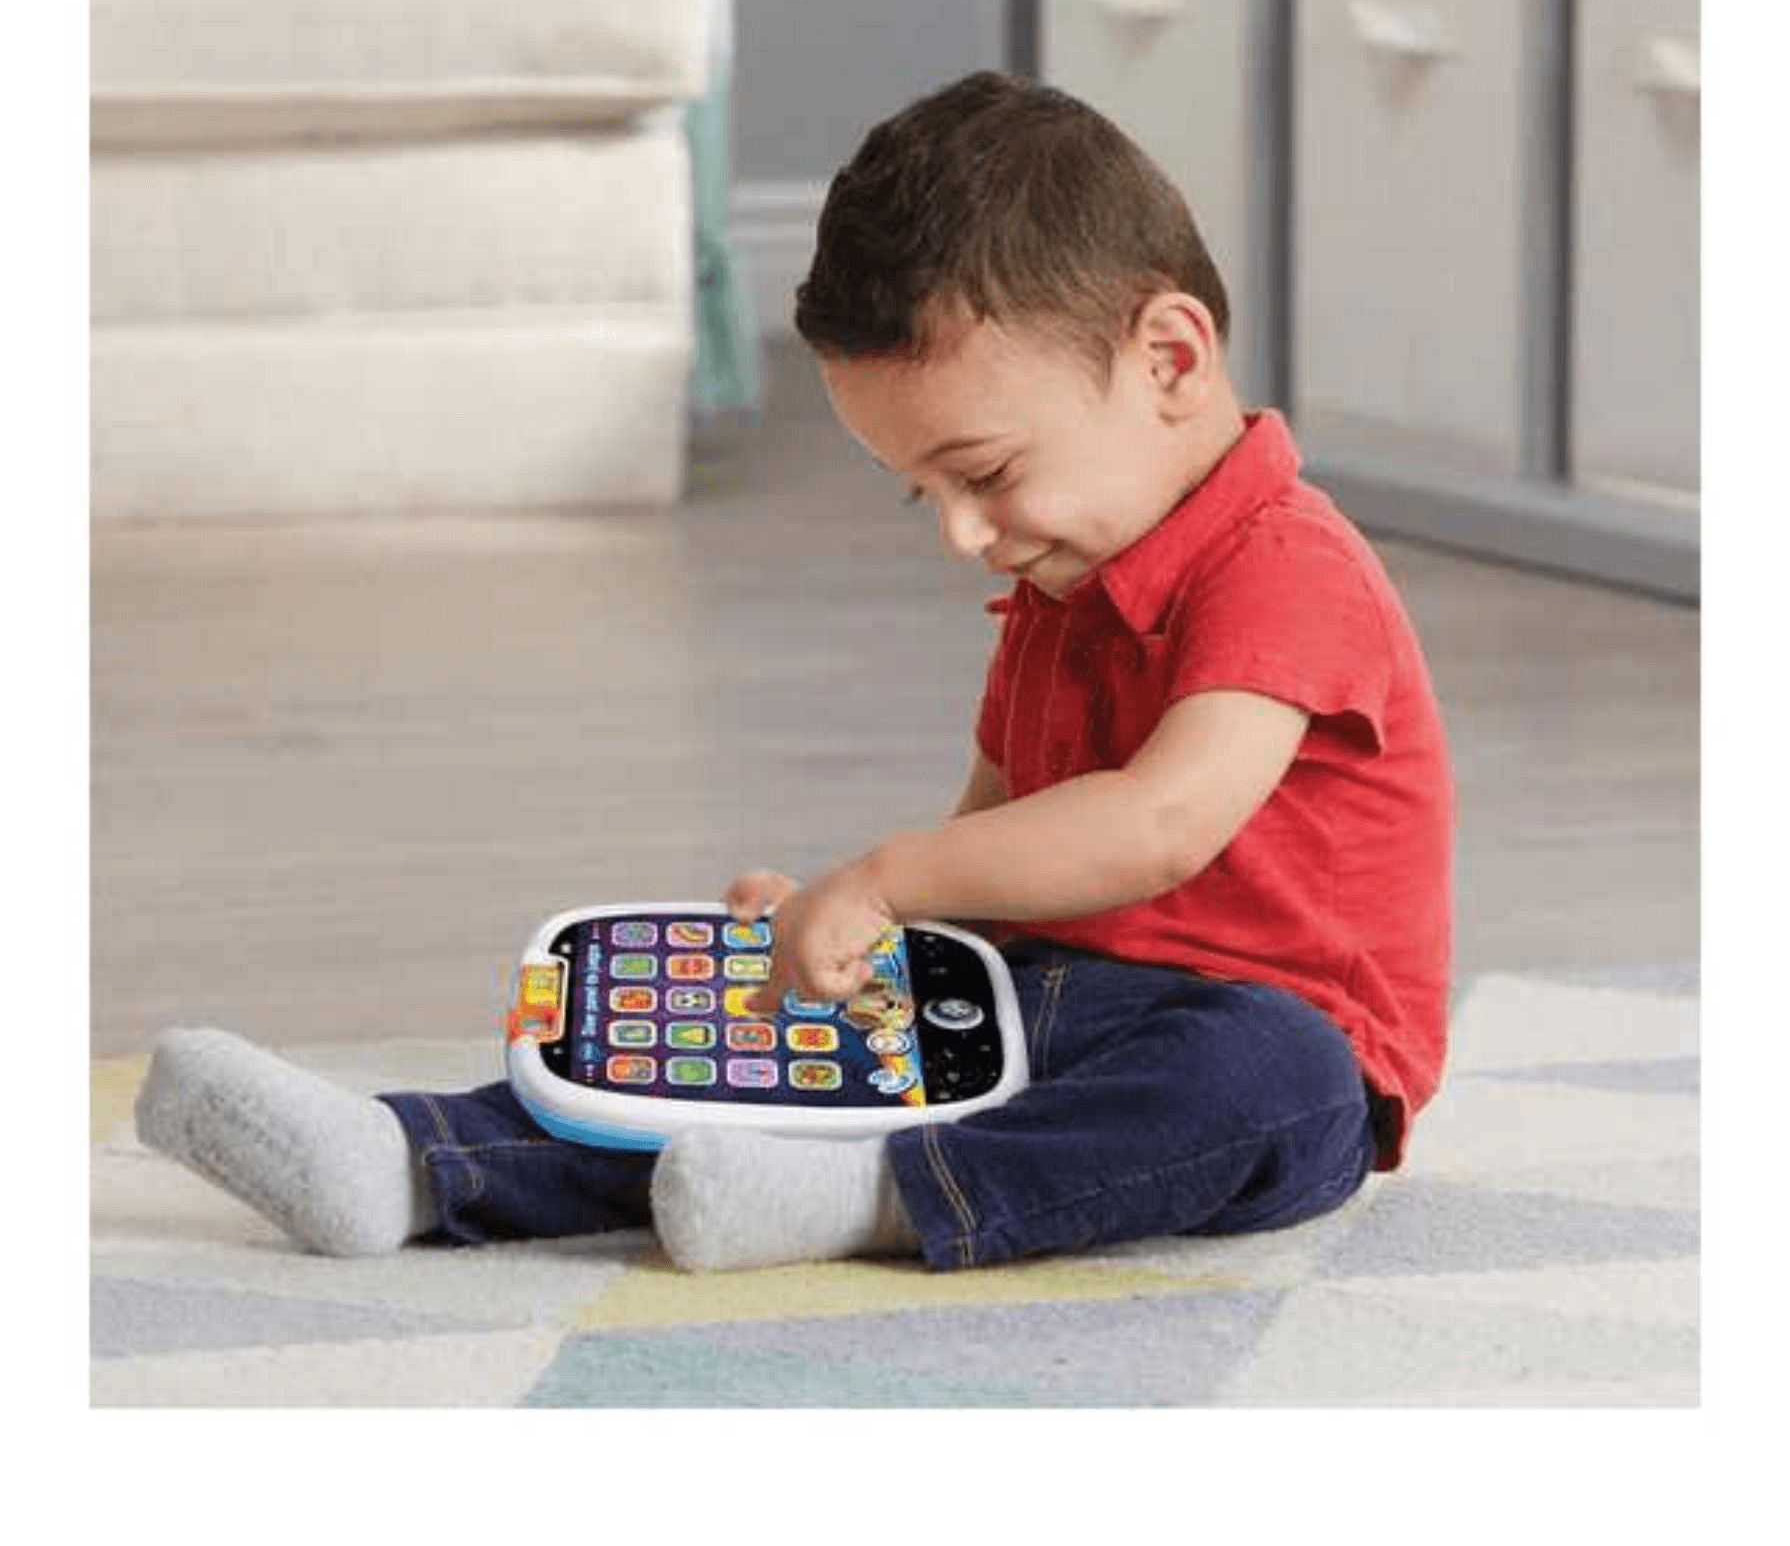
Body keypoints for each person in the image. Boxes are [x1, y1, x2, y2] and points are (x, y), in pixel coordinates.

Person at [135, 71, 1454, 1274]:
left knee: (1264, 1075)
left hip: (1272, 1033)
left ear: (1167, 359)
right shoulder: (1062, 583)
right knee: (789, 1034)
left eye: (986, 473)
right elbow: (993, 833)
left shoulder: (1286, 565)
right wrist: (857, 934)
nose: (961, 532)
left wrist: (885, 879)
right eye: (923, 493)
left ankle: (875, 1196)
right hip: (1044, 998)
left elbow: (1161, 824)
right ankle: (417, 1159)